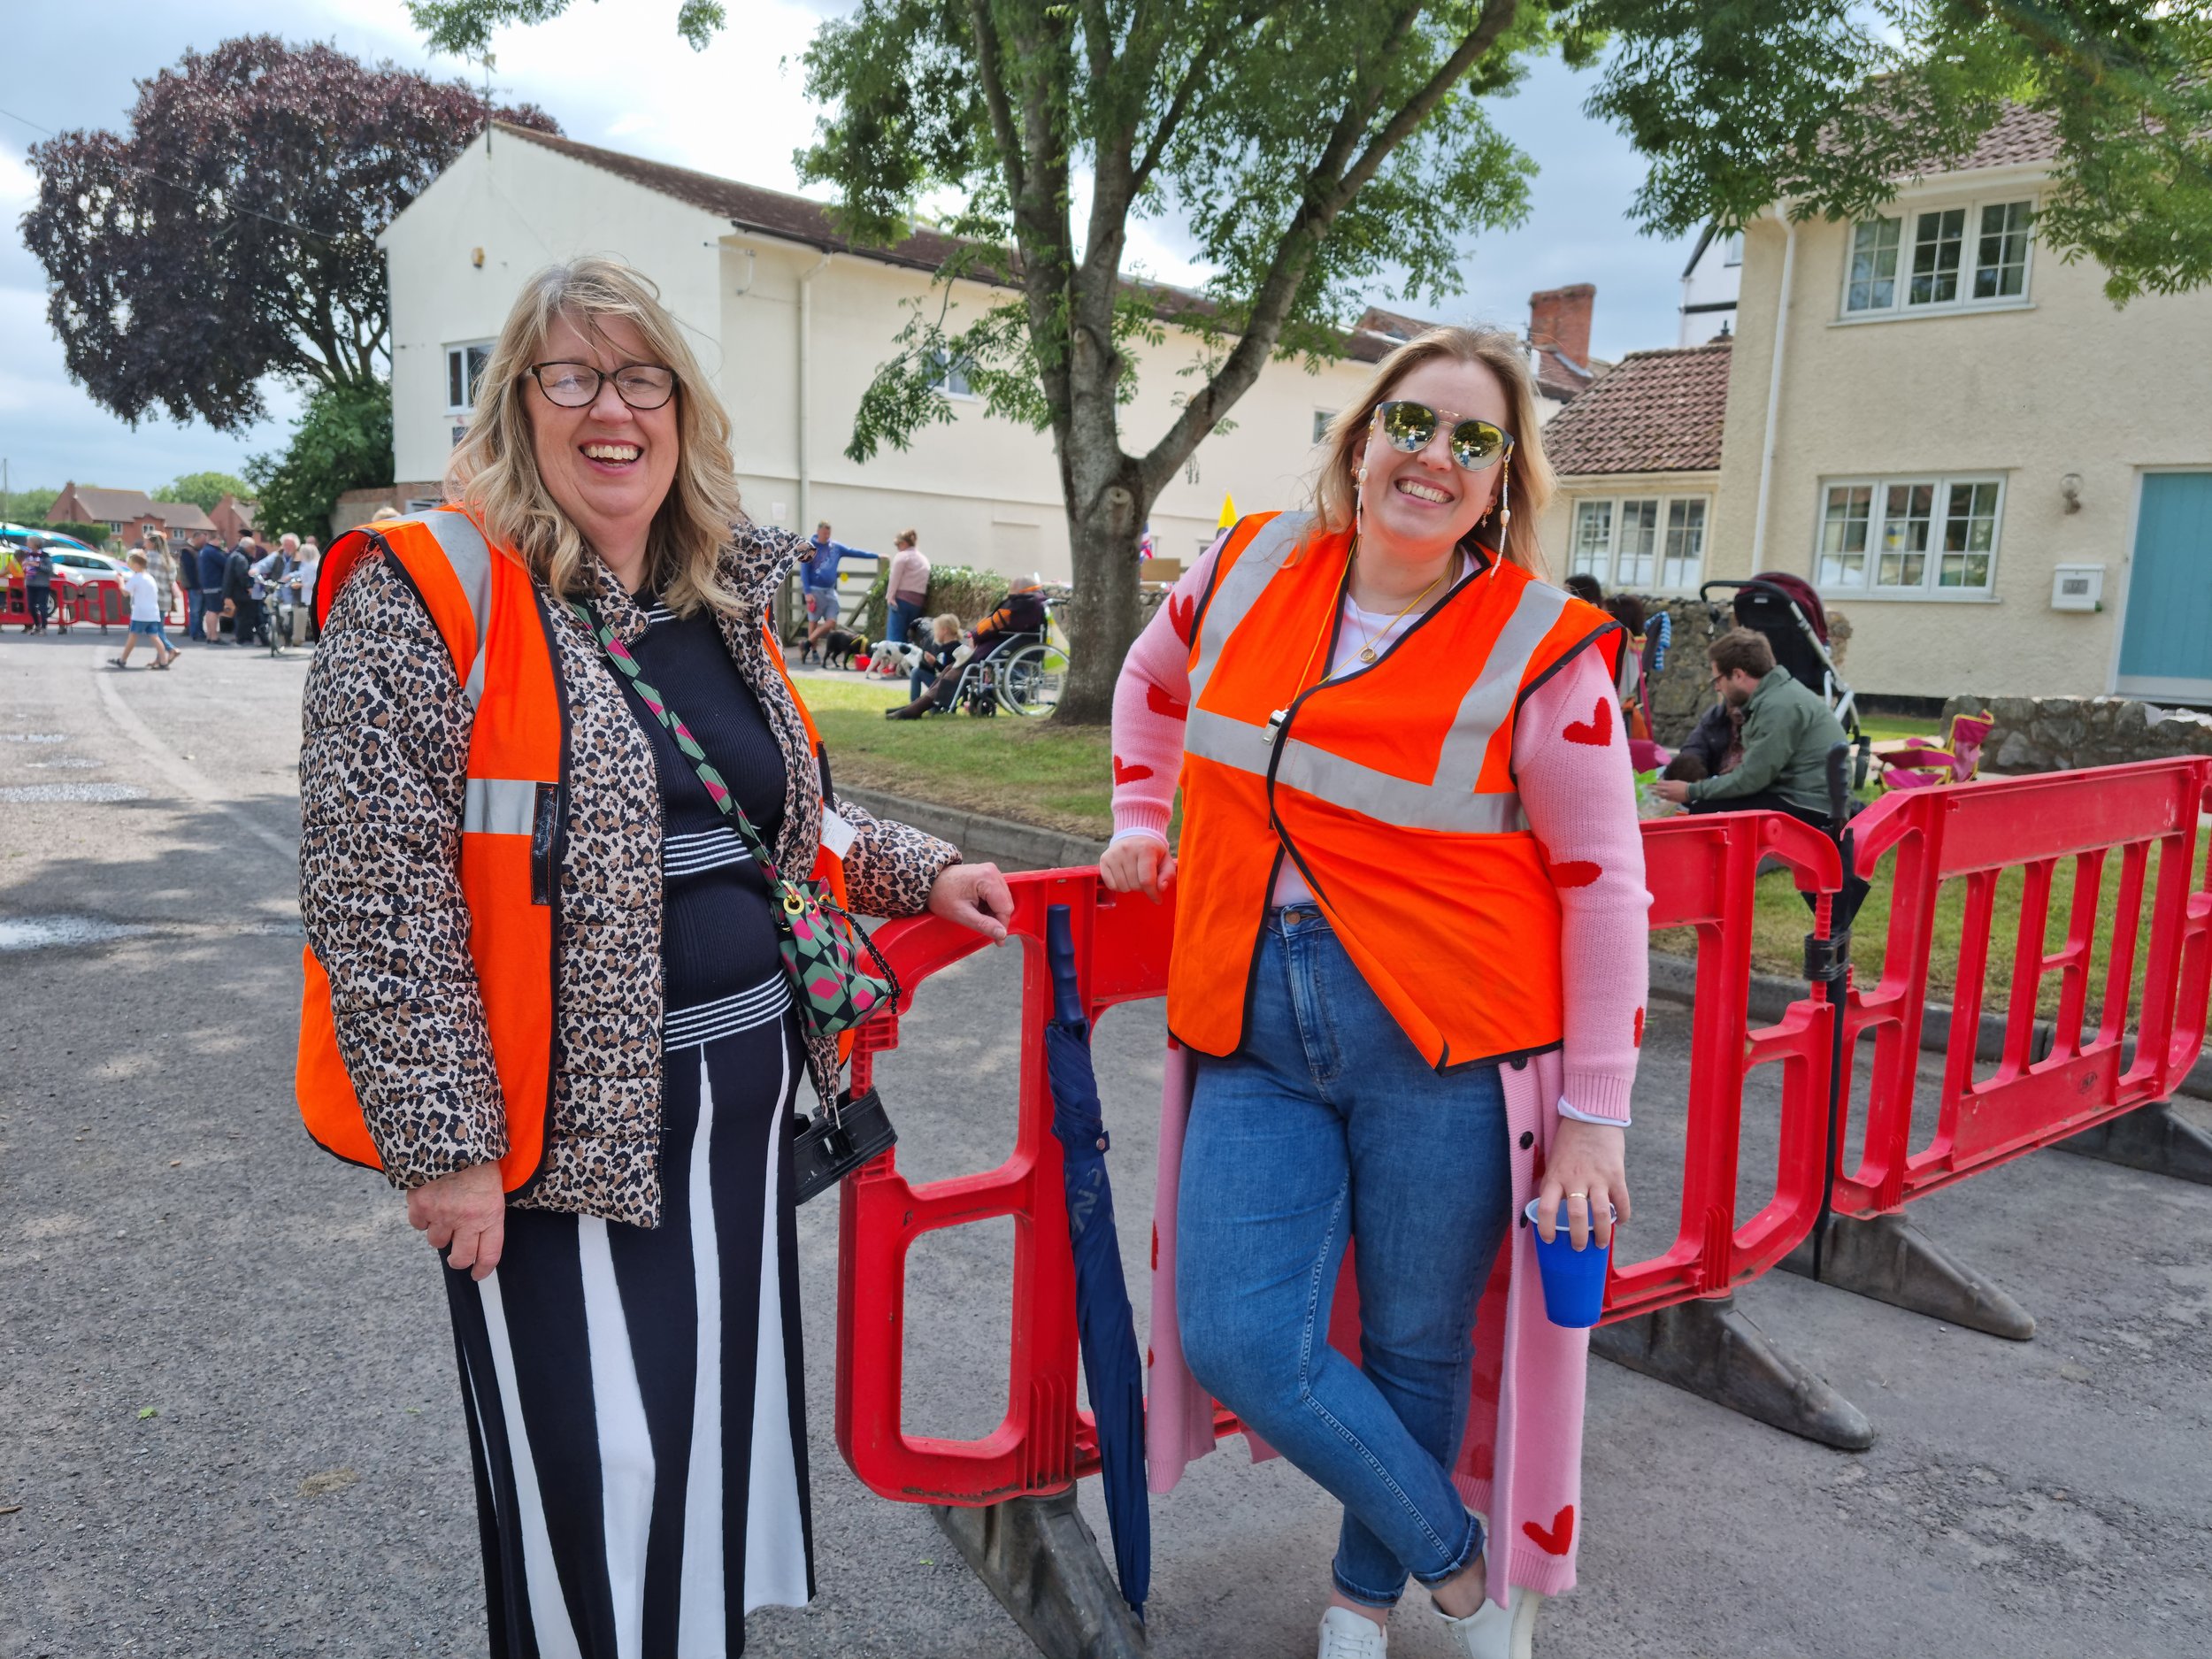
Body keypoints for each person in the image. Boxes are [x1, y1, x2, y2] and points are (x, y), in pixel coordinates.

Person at [296, 256, 1015, 1656]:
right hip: (551, 1134)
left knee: (702, 1450)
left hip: (734, 1114)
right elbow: (374, 896)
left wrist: (925, 868)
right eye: (572, 375)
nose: (610, 408)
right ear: (518, 405)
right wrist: (445, 1146)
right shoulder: (426, 593)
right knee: (598, 1478)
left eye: (642, 377)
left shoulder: (712, 600)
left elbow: (776, 812)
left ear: (681, 409)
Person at [1102, 326, 1646, 1659]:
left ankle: (1359, 1598)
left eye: (1475, 440)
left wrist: (1594, 1114)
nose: (1435, 457)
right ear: (1360, 436)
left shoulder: (1545, 644)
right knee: (1238, 1333)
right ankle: (1458, 1567)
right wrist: (1138, 807)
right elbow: (1148, 681)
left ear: (1506, 478)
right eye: (1413, 422)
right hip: (1253, 1019)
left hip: (1448, 1040)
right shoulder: (1245, 567)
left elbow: (1606, 885)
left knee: (1414, 1338)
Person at [1651, 627, 1845, 827]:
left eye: (1717, 679)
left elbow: (1751, 779)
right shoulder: (1780, 696)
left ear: (1738, 675)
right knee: (1708, 806)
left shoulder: (1777, 707)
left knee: (1705, 812)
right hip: (1810, 801)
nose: (1717, 687)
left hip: (1809, 808)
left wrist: (1690, 791)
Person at [883, 580, 1047, 718]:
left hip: (997, 649)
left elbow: (990, 624)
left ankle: (916, 709)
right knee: (951, 668)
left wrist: (974, 635)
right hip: (1002, 646)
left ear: (1017, 591)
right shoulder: (1031, 604)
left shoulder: (1020, 604)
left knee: (958, 670)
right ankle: (916, 706)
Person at [800, 521, 870, 663]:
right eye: (825, 533)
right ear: (818, 532)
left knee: (831, 622)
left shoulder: (835, 547)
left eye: (829, 533)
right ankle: (813, 651)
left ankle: (807, 643)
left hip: (830, 590)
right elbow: (804, 571)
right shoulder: (810, 548)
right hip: (814, 589)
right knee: (813, 621)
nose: (827, 536)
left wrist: (876, 556)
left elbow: (853, 552)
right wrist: (807, 592)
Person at [111, 550, 180, 670]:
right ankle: (163, 661)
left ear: (136, 565)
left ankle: (123, 660)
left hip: (140, 613)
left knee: (133, 636)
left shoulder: (137, 578)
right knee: (155, 636)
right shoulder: (149, 577)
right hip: (153, 612)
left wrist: (120, 582)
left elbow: (125, 592)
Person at [883, 527, 930, 650]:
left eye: (898, 544)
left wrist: (890, 597)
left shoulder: (902, 557)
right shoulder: (923, 559)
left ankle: (892, 664)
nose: (897, 548)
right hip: (917, 602)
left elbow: (894, 578)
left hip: (901, 600)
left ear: (904, 543)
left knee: (895, 635)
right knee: (909, 636)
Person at [909, 612, 964, 701]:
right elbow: (938, 669)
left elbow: (949, 673)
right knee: (916, 671)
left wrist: (934, 663)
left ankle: (915, 705)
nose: (935, 633)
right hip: (939, 683)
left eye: (936, 630)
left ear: (945, 630)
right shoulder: (942, 647)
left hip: (946, 689)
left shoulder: (955, 649)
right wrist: (927, 664)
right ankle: (914, 705)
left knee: (916, 672)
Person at [196, 532, 230, 642]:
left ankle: (209, 636)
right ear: (215, 540)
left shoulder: (203, 551)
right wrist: (226, 554)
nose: (220, 543)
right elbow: (226, 563)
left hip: (206, 585)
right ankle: (214, 636)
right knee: (214, 611)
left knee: (210, 611)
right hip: (215, 584)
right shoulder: (212, 551)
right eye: (219, 541)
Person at [288, 537, 320, 646]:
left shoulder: (310, 566)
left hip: (311, 596)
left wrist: (300, 585)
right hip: (310, 597)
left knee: (314, 620)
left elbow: (313, 583)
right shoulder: (311, 565)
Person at [20, 536, 56, 634]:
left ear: (35, 543)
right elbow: (24, 567)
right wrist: (25, 565)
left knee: (42, 606)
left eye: (29, 542)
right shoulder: (28, 555)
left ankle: (44, 627)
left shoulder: (45, 556)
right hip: (30, 583)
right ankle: (37, 625)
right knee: (31, 606)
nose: (27, 543)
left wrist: (37, 565)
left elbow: (50, 570)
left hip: (42, 584)